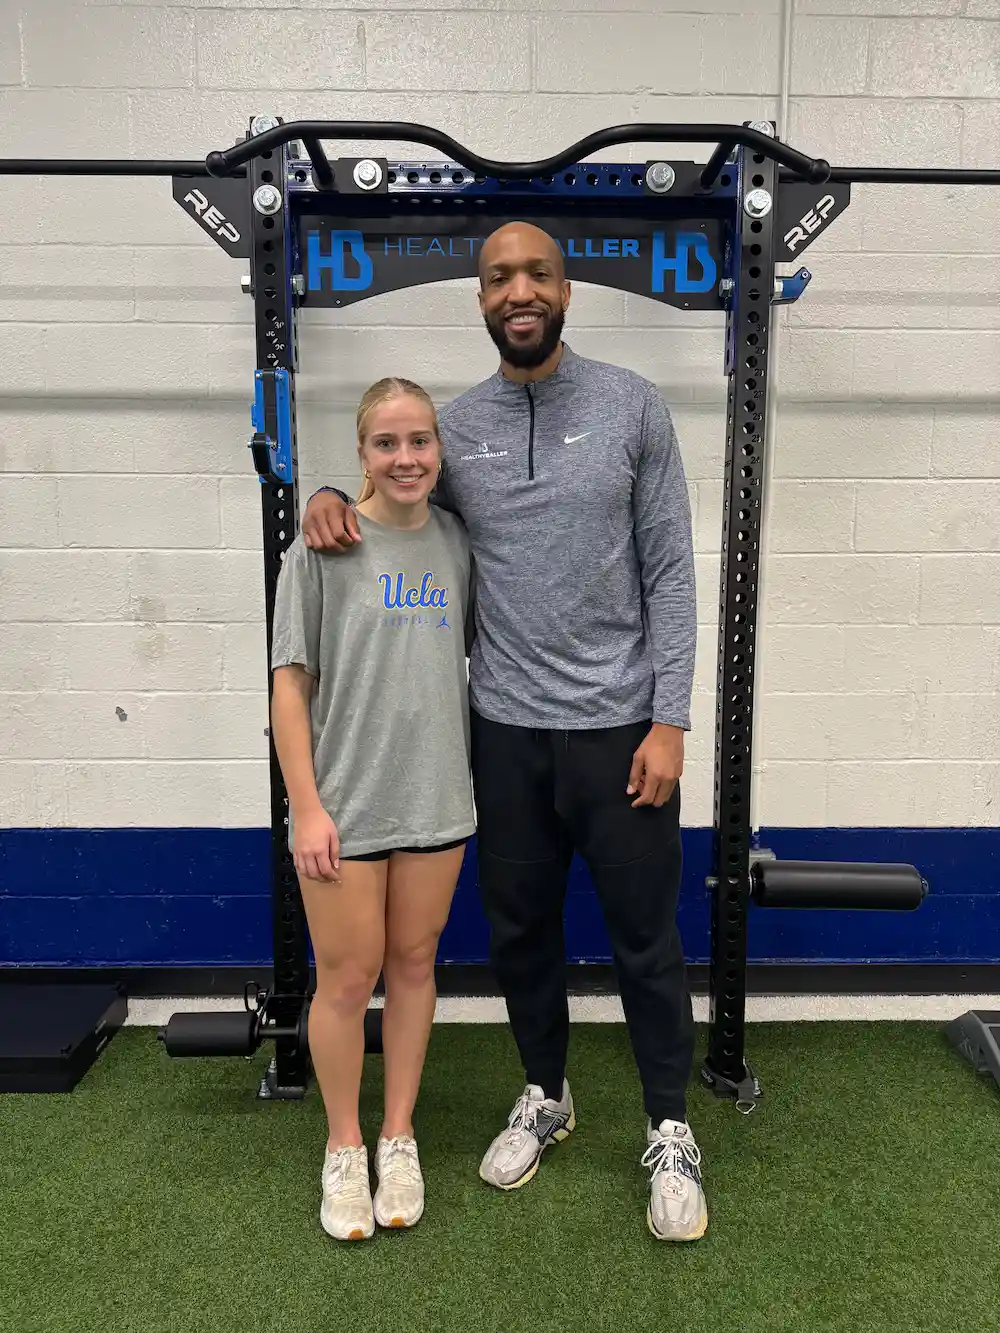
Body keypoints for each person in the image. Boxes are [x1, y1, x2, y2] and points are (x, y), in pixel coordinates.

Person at [301, 222, 706, 1243]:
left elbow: (669, 570)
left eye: (534, 274)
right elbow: (396, 499)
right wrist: (323, 501)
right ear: (480, 299)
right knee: (521, 934)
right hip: (505, 733)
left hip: (620, 732)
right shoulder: (461, 427)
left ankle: (669, 1124)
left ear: (564, 289)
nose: (516, 290)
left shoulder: (631, 407)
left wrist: (669, 717)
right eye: (497, 278)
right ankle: (547, 1091)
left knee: (643, 941)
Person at [270, 376, 475, 1242]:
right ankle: (345, 1145)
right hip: (343, 808)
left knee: (415, 965)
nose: (405, 457)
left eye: (419, 441)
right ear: (361, 454)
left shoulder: (458, 543)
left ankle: (399, 1133)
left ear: (438, 451)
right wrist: (306, 806)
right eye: (386, 443)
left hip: (436, 799)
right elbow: (290, 684)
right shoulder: (322, 549)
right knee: (348, 980)